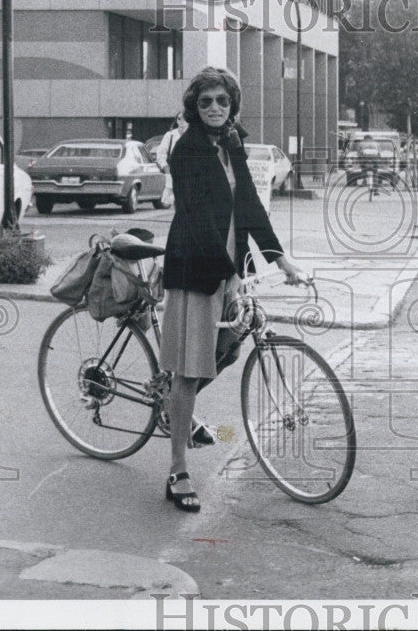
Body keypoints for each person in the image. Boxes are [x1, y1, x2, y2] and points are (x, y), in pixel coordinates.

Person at [159, 67, 307, 512]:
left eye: (222, 101)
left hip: (228, 269)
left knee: (226, 348)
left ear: (233, 104)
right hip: (196, 269)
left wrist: (278, 257)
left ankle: (173, 409)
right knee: (189, 369)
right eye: (206, 102)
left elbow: (248, 205)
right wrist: (231, 274)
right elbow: (196, 218)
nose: (215, 109)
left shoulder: (233, 143)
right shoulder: (187, 151)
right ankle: (177, 470)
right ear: (194, 106)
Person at [155, 111, 187, 207]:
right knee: (170, 201)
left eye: (184, 118)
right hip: (174, 171)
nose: (181, 121)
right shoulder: (170, 135)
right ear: (176, 120)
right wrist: (166, 168)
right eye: (179, 118)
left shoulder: (194, 135)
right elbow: (161, 153)